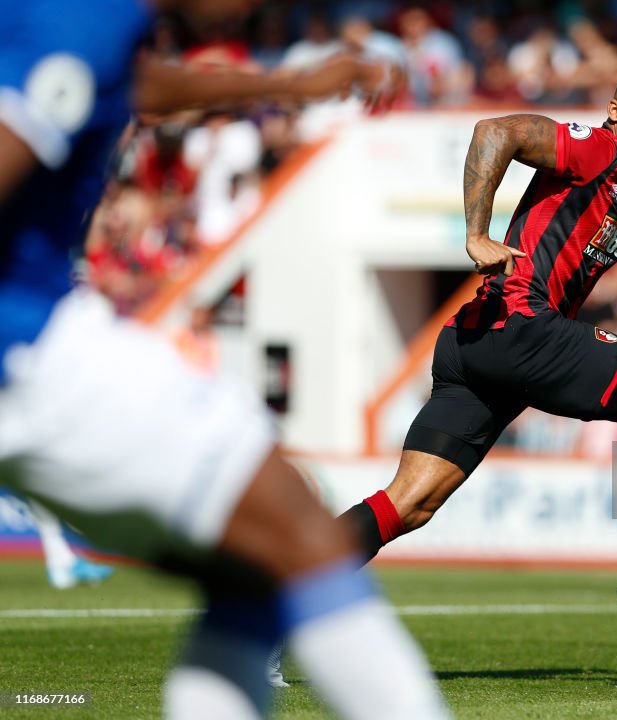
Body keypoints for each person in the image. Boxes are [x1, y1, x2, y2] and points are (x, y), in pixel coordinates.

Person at [0, 1, 446, 718]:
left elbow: (133, 86)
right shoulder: (82, 14)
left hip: (33, 337)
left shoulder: (87, 30)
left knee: (254, 572)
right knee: (303, 539)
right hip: (23, 347)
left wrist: (294, 88)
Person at [337, 68, 617, 639]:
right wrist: (476, 232)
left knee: (409, 505)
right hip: (520, 322)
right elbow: (493, 131)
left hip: (477, 345)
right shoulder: (593, 148)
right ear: (615, 111)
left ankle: (276, 600)